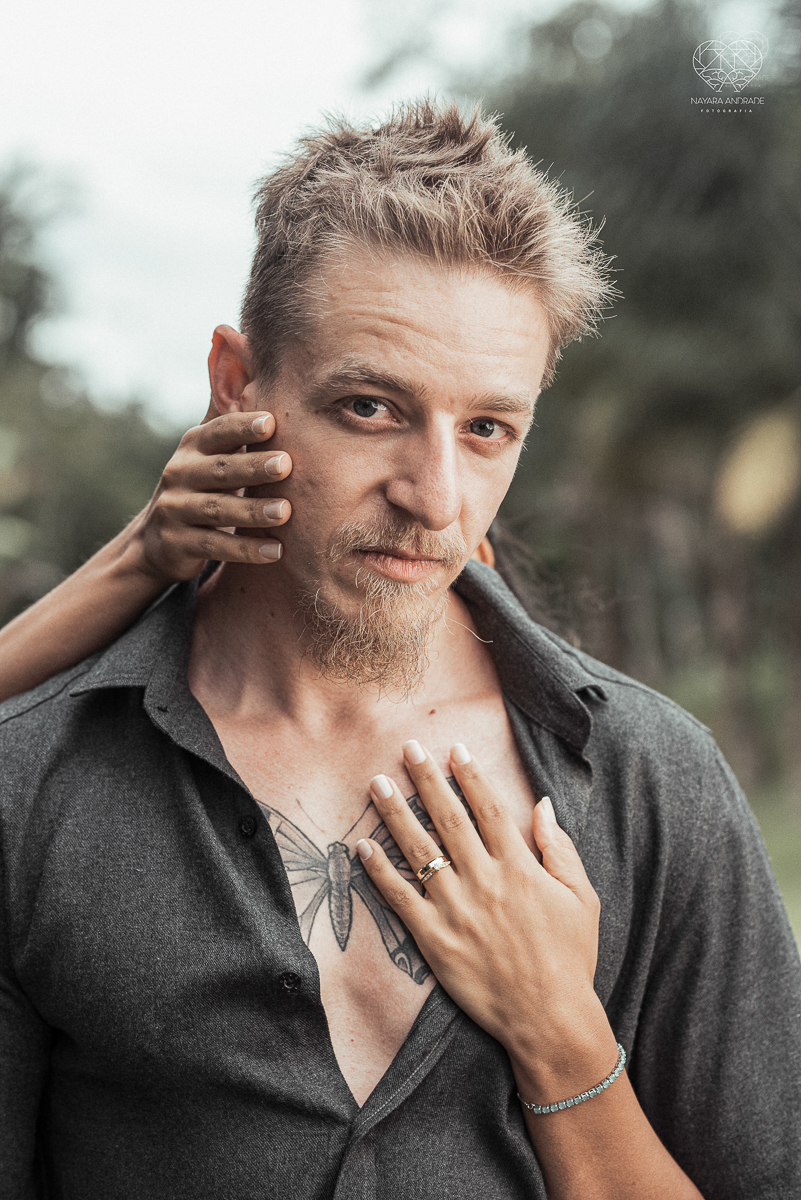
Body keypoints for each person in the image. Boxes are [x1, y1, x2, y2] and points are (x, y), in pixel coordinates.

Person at [0, 100, 799, 1200]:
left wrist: (564, 1043)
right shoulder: (33, 784)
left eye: (487, 430)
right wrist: (139, 555)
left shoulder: (653, 784)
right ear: (237, 385)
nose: (437, 498)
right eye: (371, 408)